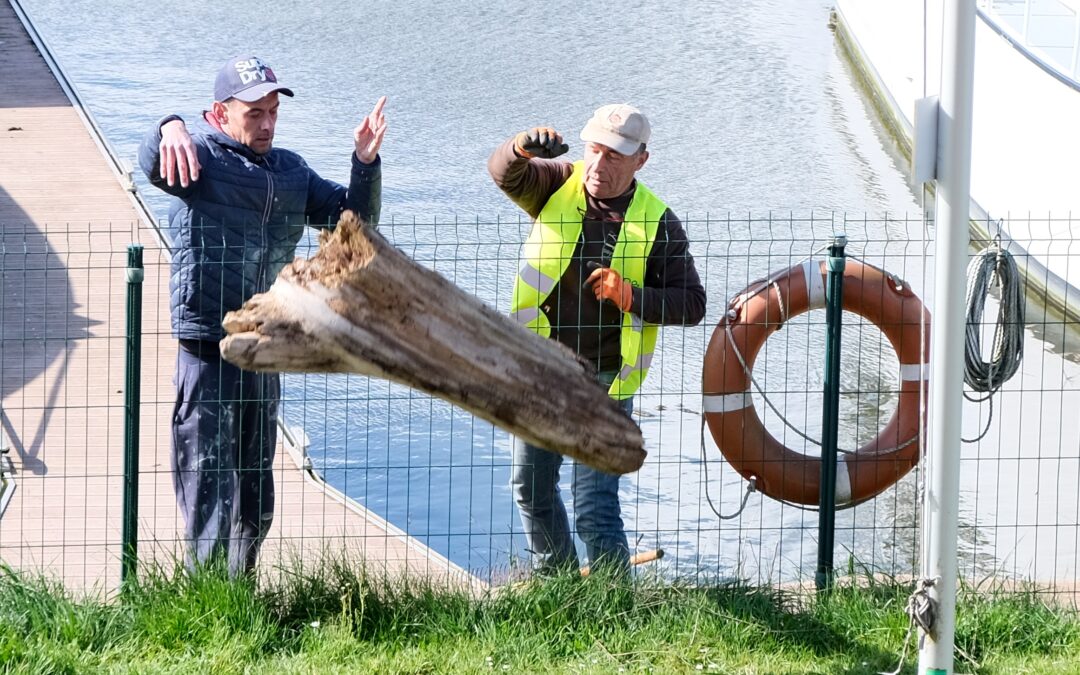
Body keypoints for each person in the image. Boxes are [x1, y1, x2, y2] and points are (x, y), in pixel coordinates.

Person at [138, 55, 388, 576]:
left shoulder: (290, 171)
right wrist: (169, 125)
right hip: (208, 345)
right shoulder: (197, 159)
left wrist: (364, 163)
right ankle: (207, 600)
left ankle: (241, 592)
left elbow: (353, 227)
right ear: (220, 113)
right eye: (254, 112)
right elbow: (151, 161)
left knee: (256, 486)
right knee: (206, 483)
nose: (267, 122)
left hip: (265, 347)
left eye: (273, 110)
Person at [489, 104, 706, 573]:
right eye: (595, 150)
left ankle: (614, 607)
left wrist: (631, 297)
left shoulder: (658, 222)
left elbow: (692, 304)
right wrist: (520, 148)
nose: (600, 166)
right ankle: (559, 590)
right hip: (540, 371)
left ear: (640, 161)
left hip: (605, 382)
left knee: (594, 507)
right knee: (531, 490)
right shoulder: (557, 183)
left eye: (614, 156)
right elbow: (504, 173)